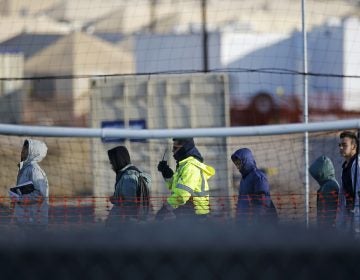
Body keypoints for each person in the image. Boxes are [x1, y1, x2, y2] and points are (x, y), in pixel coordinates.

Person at [156, 138, 215, 221]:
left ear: (184, 148)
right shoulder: (183, 166)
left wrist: (165, 208)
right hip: (187, 213)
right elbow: (176, 188)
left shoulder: (191, 167)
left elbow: (182, 195)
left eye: (175, 148)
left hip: (195, 216)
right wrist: (166, 173)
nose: (173, 151)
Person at [231, 148, 277, 226]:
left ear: (246, 160)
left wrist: (256, 222)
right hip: (246, 224)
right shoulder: (243, 179)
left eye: (239, 163)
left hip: (261, 224)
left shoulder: (258, 177)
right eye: (236, 164)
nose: (237, 166)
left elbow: (263, 202)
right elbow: (242, 202)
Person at [106, 145, 151, 225]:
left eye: (112, 163)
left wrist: (115, 200)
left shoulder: (128, 177)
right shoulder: (136, 173)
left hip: (125, 224)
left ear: (117, 161)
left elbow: (130, 204)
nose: (111, 166)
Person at [11, 139, 49, 231]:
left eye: (26, 149)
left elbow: (40, 195)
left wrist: (19, 199)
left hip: (34, 221)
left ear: (34, 152)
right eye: (23, 148)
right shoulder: (25, 168)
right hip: (26, 219)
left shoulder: (34, 170)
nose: (22, 151)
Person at [338, 130, 360, 233]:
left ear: (354, 147)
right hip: (351, 217)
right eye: (340, 145)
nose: (341, 148)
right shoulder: (345, 168)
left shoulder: (357, 166)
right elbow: (343, 199)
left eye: (344, 145)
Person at [309, 155, 339, 228]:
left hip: (328, 228)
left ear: (321, 173)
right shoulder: (328, 184)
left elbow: (328, 212)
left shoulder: (329, 186)